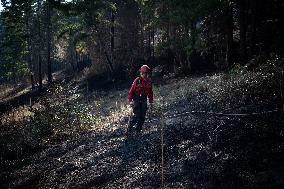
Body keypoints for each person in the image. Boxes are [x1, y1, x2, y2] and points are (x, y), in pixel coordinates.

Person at [127, 65, 153, 137]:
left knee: (143, 117)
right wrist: (130, 101)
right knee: (137, 116)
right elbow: (131, 91)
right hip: (137, 99)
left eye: (146, 73)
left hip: (144, 99)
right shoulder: (137, 80)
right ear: (141, 73)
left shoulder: (149, 81)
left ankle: (138, 131)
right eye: (143, 73)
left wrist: (151, 101)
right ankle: (129, 131)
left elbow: (150, 92)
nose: (145, 74)